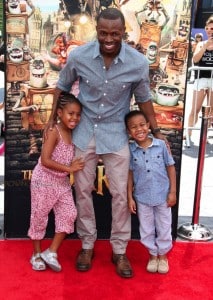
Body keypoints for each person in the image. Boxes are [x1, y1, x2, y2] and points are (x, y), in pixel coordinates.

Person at [48, 7, 165, 278]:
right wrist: (50, 122)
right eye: (103, 33)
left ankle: (120, 249)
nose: (108, 38)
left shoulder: (137, 63)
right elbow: (61, 86)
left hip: (116, 132)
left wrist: (156, 131)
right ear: (97, 32)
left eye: (115, 33)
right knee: (83, 191)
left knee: (121, 195)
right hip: (85, 131)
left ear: (123, 33)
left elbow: (145, 99)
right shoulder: (79, 56)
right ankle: (87, 244)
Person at [28, 92, 85, 272]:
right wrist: (70, 169)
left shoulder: (74, 132)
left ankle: (51, 252)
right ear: (60, 113)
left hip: (61, 182)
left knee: (69, 214)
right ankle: (36, 253)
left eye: (78, 114)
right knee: (39, 216)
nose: (75, 118)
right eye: (71, 113)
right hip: (44, 179)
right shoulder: (54, 130)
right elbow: (45, 160)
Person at [125, 110, 176, 274]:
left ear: (148, 126)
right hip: (142, 198)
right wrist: (129, 197)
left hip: (163, 196)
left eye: (141, 125)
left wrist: (172, 192)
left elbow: (170, 167)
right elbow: (130, 174)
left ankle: (163, 255)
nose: (138, 129)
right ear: (128, 131)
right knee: (146, 229)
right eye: (133, 127)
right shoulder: (131, 150)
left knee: (164, 227)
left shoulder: (161, 145)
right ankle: (152, 255)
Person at [186, 16, 213, 140]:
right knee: (195, 109)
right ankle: (189, 134)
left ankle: (204, 136)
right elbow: (195, 59)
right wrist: (204, 46)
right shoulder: (201, 43)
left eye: (212, 28)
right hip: (200, 79)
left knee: (210, 110)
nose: (209, 31)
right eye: (207, 28)